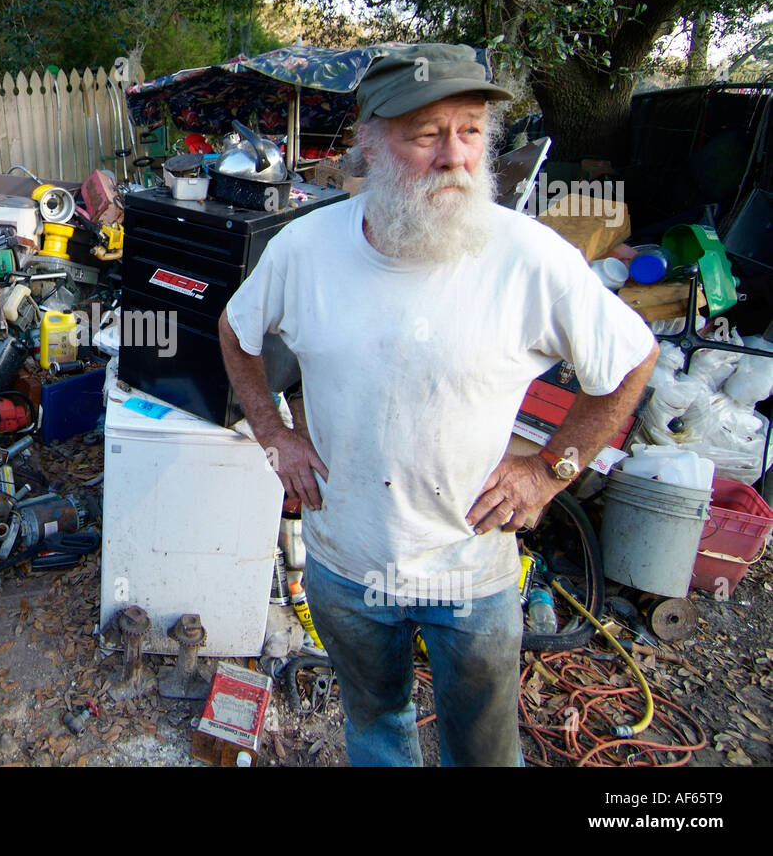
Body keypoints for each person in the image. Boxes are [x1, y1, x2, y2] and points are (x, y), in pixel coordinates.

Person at [218, 43, 659, 766]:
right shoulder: (305, 248)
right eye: (427, 134)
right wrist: (274, 434)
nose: (455, 155)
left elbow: (632, 357)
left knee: (482, 751)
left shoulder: (528, 257)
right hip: (345, 568)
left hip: (472, 575)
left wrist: (552, 470)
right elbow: (236, 332)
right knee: (377, 727)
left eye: (472, 131)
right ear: (370, 140)